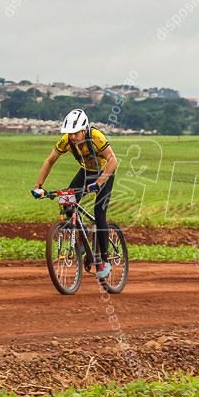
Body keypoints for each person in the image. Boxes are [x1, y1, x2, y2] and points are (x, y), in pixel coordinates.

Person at [34, 108, 119, 278]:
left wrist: (98, 183)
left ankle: (104, 261)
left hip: (104, 173)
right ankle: (83, 234)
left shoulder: (96, 137)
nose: (72, 137)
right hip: (86, 172)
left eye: (75, 133)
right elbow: (50, 160)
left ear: (84, 129)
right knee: (66, 201)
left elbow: (113, 161)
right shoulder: (66, 141)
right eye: (69, 133)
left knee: (99, 213)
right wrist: (39, 186)